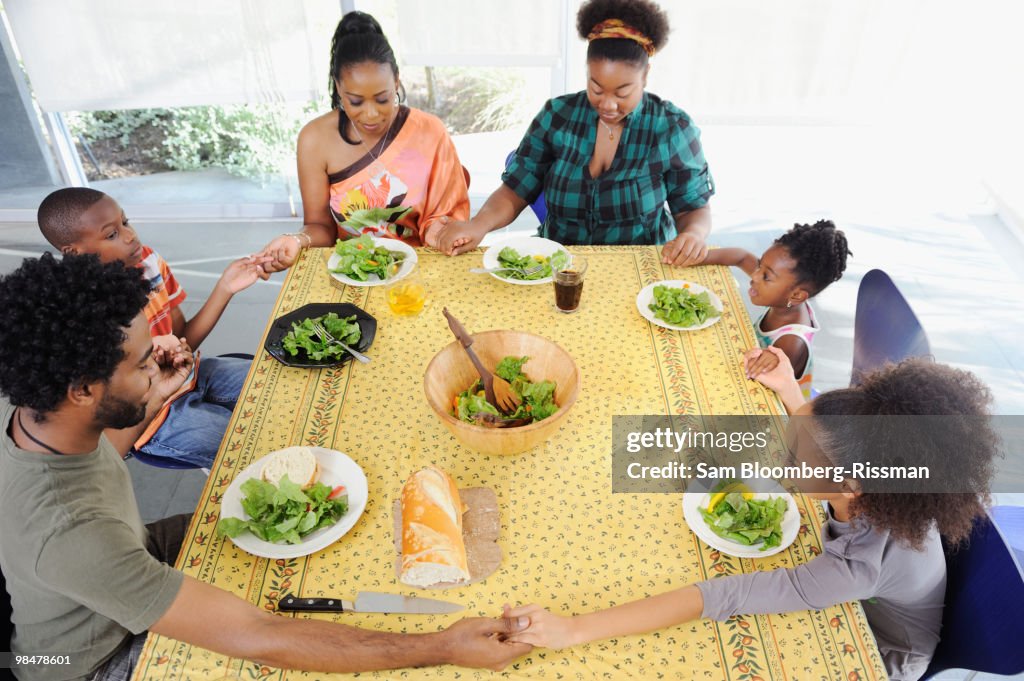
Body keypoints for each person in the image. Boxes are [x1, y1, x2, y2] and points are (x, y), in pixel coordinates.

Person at [0, 254, 531, 681]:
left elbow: (101, 456)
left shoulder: (44, 420)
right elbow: (258, 636)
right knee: (288, 649)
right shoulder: (70, 534)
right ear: (83, 390)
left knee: (323, 536)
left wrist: (151, 393)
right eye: (142, 363)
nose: (158, 358)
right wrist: (442, 646)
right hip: (93, 659)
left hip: (132, 552)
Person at [501, 350, 999, 681]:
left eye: (795, 457)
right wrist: (790, 388)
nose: (781, 459)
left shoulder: (855, 567)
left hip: (883, 651)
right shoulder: (882, 477)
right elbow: (824, 436)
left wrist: (574, 629)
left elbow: (727, 595)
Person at [434, 0, 714, 264]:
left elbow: (693, 208)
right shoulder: (557, 116)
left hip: (639, 269)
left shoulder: (672, 128)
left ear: (646, 75)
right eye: (596, 88)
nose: (607, 104)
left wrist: (693, 235)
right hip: (556, 265)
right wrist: (478, 225)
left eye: (622, 92)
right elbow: (515, 190)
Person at [37, 187, 269, 467]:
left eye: (126, 222)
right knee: (254, 449)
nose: (130, 235)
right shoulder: (74, 313)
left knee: (278, 386)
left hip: (189, 375)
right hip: (151, 417)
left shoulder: (148, 262)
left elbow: (184, 339)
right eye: (111, 234)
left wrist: (225, 288)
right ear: (74, 252)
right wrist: (147, 364)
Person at [258, 11, 470, 272]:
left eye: (382, 99)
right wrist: (297, 240)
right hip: (354, 272)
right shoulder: (315, 140)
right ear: (338, 87)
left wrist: (440, 232)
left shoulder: (429, 131)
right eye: (356, 101)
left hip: (422, 268)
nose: (371, 114)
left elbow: (447, 214)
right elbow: (320, 227)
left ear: (396, 82)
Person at [702, 219, 851, 397]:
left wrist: (773, 360)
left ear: (796, 295)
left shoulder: (790, 343)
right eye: (760, 266)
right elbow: (741, 257)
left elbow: (759, 391)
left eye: (766, 276)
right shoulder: (787, 295)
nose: (755, 276)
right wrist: (697, 257)